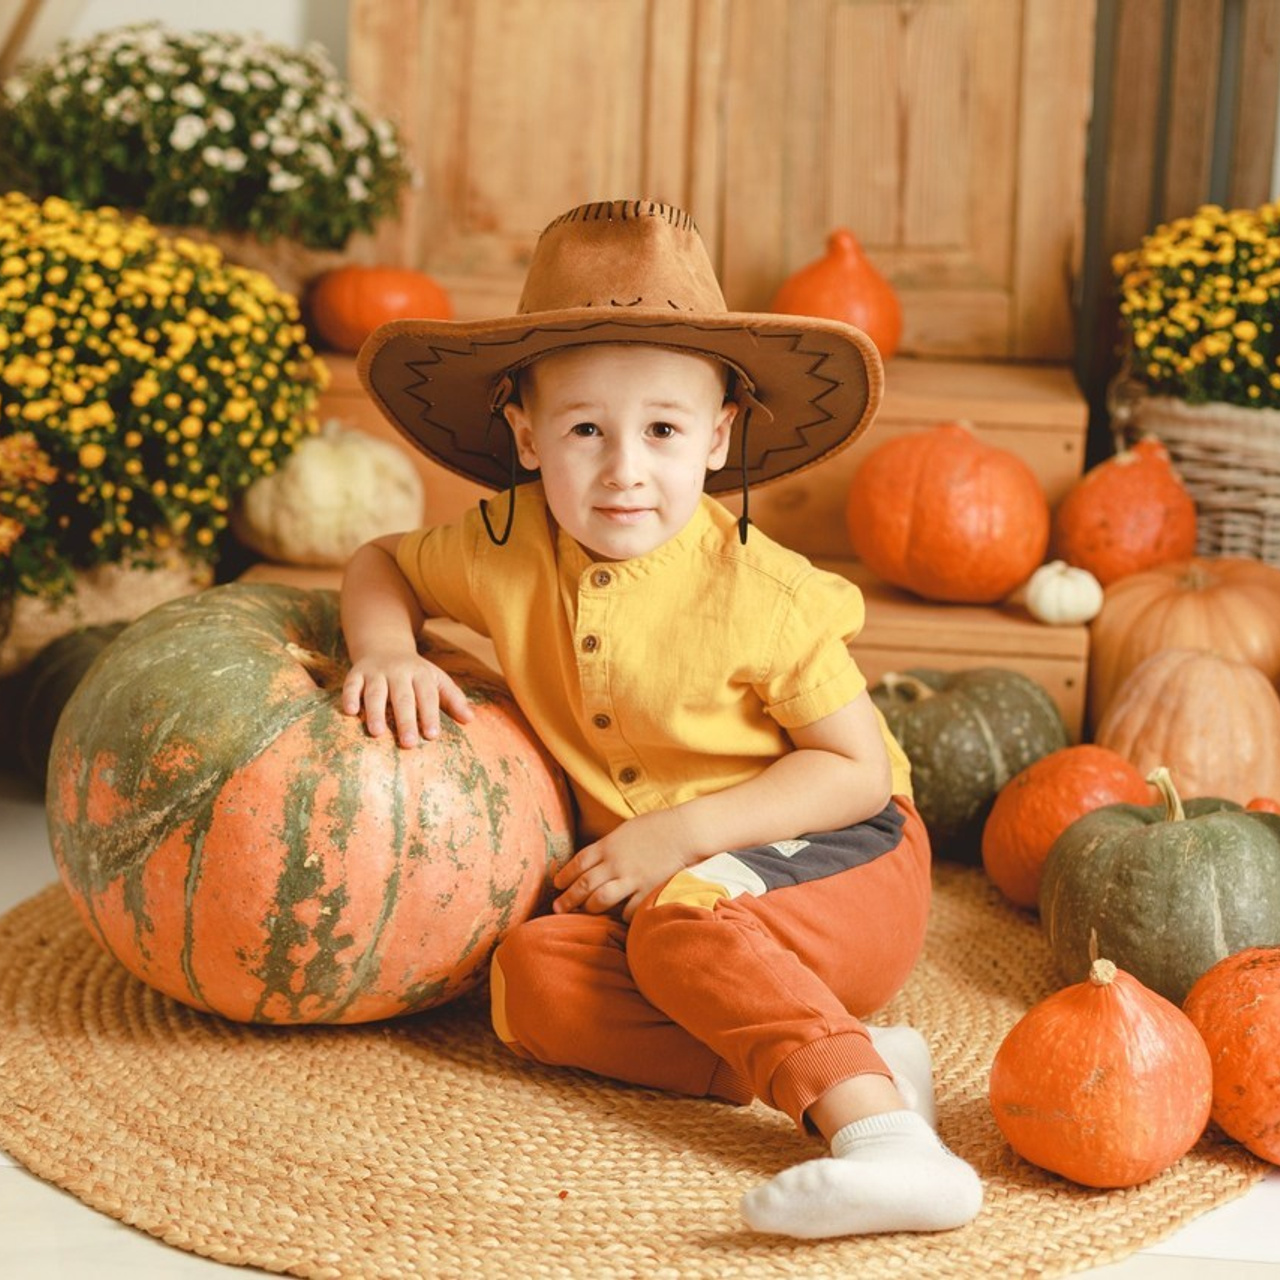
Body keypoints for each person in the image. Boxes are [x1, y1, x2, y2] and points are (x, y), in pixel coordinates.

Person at [339, 198, 982, 1238]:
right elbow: (379, 562)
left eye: (663, 430)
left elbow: (855, 771)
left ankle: (887, 1145)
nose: (623, 466)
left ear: (718, 432)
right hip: (679, 908)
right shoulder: (502, 546)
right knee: (528, 981)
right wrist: (384, 647)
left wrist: (674, 835)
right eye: (584, 428)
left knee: (685, 916)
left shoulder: (760, 593)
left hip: (837, 859)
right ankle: (853, 1061)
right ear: (523, 432)